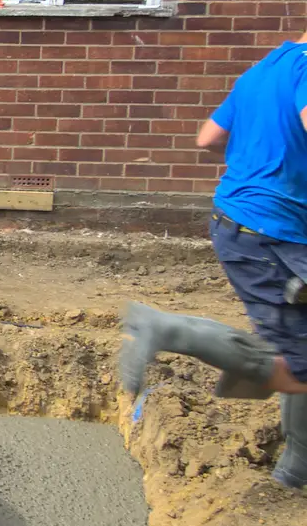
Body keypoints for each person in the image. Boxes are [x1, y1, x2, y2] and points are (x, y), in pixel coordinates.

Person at [119, 33, 307, 489]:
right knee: (301, 363)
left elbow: (208, 137)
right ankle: (168, 330)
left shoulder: (261, 72)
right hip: (271, 230)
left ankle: (297, 465)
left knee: (300, 343)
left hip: (237, 220)